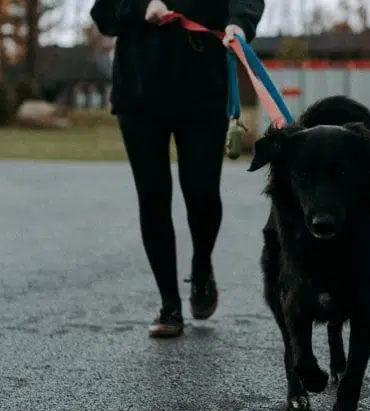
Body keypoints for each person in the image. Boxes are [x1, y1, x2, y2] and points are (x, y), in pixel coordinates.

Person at [90, 0, 265, 338]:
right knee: (153, 197)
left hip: (202, 91)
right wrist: (140, 7)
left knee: (201, 193)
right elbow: (103, 14)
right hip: (139, 93)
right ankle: (169, 304)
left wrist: (239, 24)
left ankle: (201, 268)